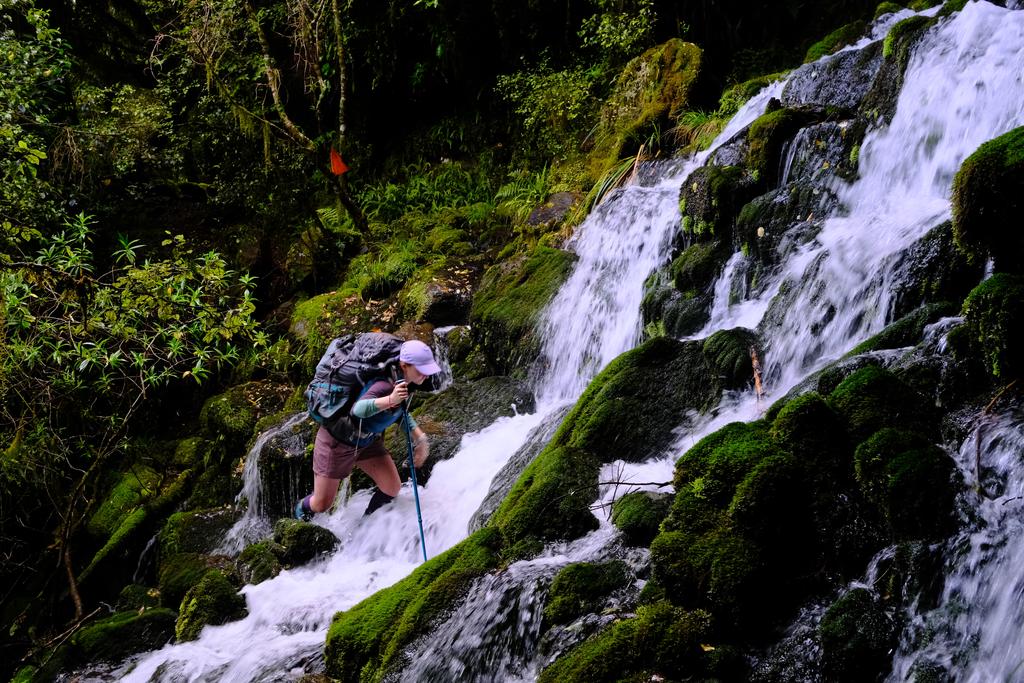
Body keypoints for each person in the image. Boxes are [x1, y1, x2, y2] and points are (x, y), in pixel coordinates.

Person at [294, 339, 440, 520]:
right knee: (322, 504)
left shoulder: (402, 383)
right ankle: (299, 512)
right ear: (404, 365)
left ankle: (365, 527)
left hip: (366, 440)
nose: (426, 375)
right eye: (422, 369)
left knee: (391, 487)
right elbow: (358, 410)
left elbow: (399, 412)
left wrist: (420, 438)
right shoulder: (384, 385)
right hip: (337, 442)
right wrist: (391, 400)